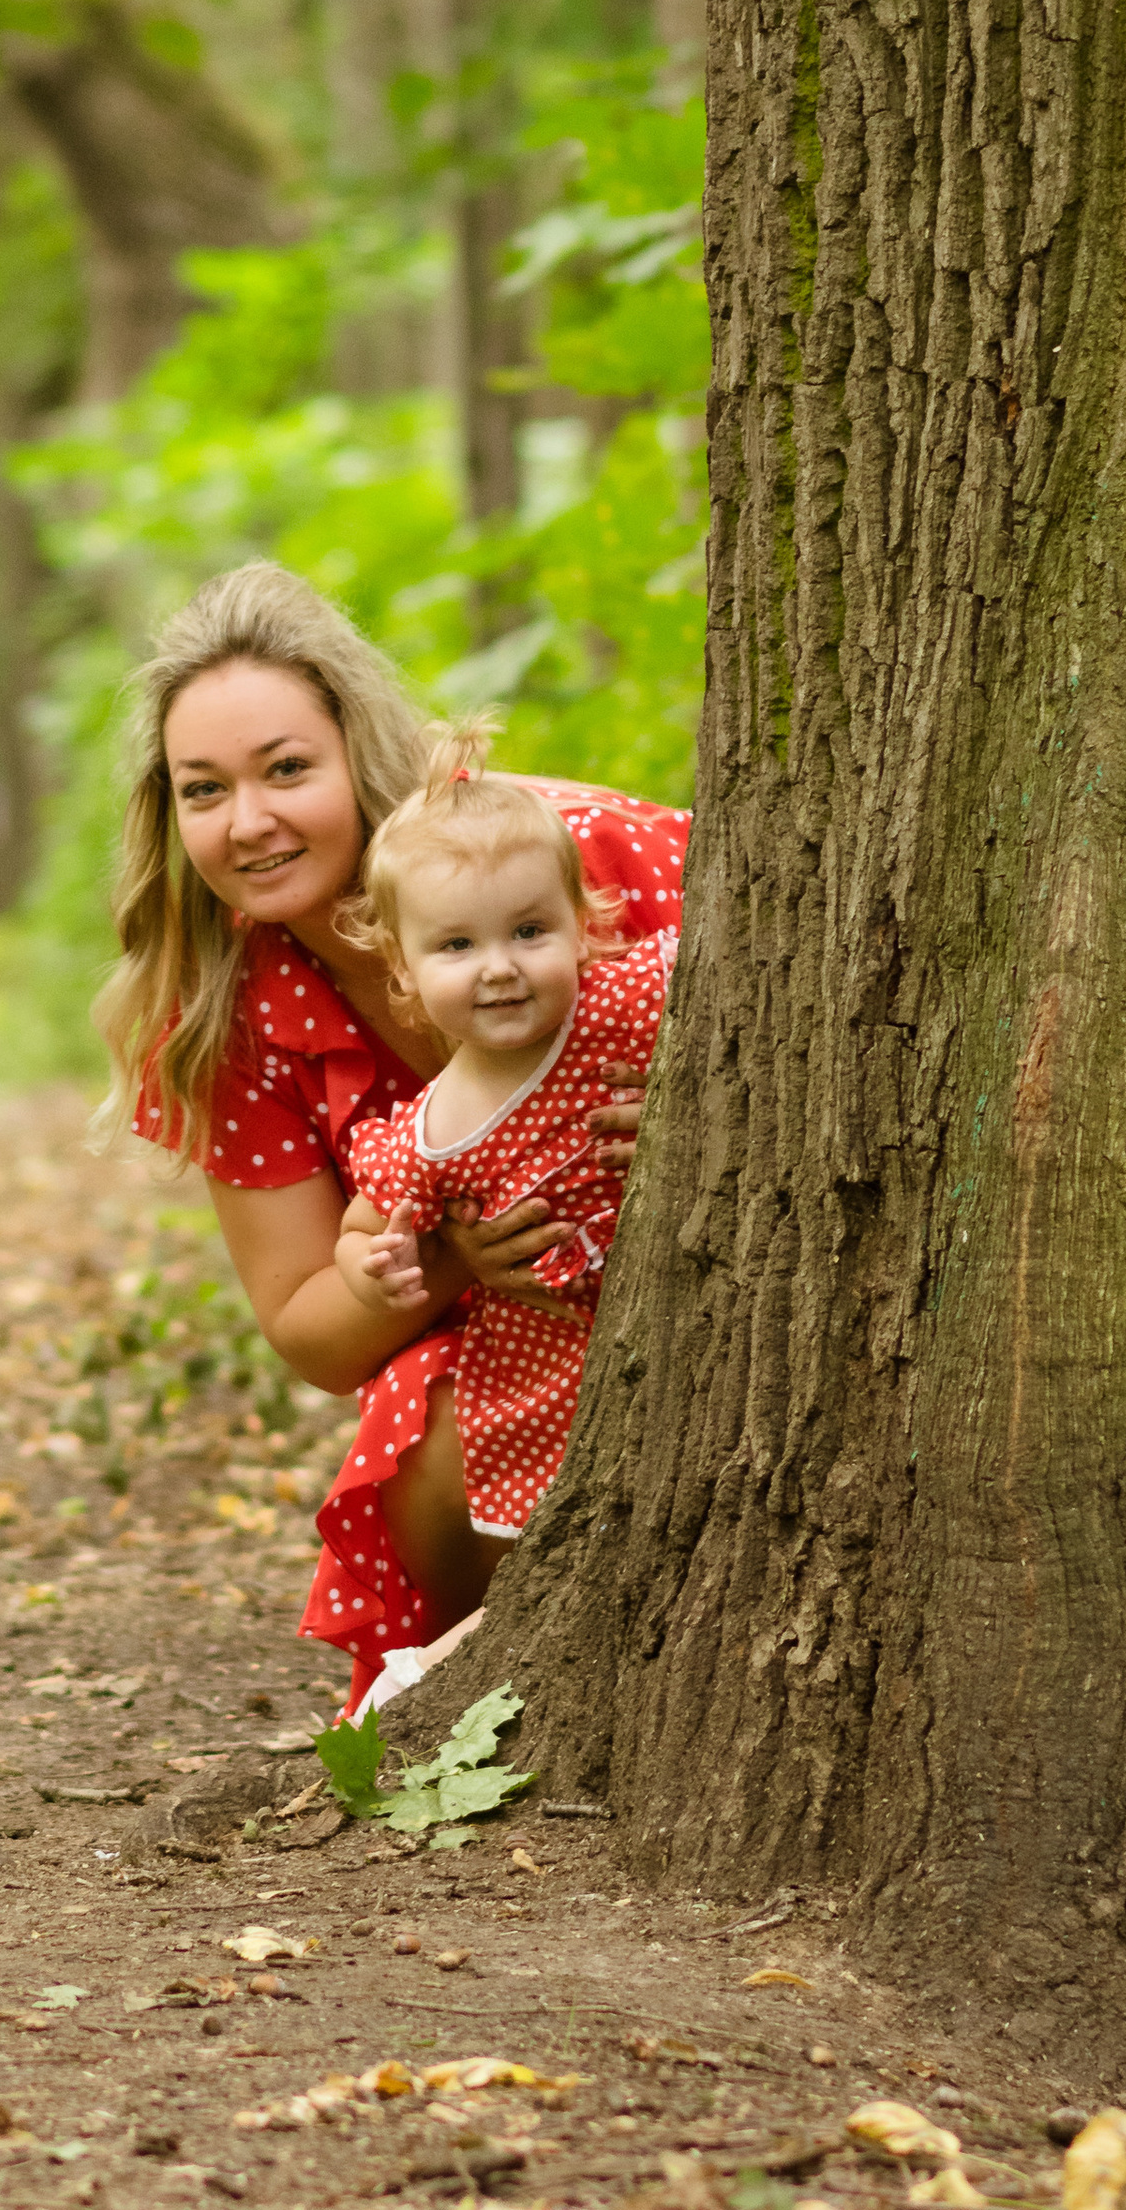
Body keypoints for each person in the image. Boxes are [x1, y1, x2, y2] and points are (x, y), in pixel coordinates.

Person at [98, 562, 690, 1709]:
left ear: (353, 753)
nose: (249, 821)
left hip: (718, 1286)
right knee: (423, 1428)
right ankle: (526, 1683)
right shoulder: (229, 1009)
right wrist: (450, 1261)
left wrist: (702, 1123)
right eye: (203, 790)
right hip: (509, 1341)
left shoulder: (554, 853)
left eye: (284, 770)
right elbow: (311, 1335)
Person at [328, 733, 673, 1665]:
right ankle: (464, 1670)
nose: (499, 967)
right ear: (402, 973)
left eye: (529, 931)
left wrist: (692, 1110)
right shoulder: (429, 1131)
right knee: (558, 1554)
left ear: (584, 923)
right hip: (550, 1359)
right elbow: (366, 1223)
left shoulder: (632, 1008)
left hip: (682, 1312)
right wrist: (371, 1265)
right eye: (456, 945)